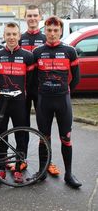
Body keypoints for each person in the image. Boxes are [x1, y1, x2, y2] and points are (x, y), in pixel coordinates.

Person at [33, 16, 82, 188]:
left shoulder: (70, 51)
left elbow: (76, 78)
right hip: (44, 101)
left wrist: (66, 91)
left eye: (56, 30)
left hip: (63, 101)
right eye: (49, 30)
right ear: (44, 31)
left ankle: (69, 174)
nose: (52, 34)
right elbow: (32, 79)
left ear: (61, 31)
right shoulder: (37, 52)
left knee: (66, 138)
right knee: (43, 138)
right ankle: (42, 171)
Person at [0, 22, 34, 183]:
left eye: (14, 34)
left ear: (19, 36)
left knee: (21, 135)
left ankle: (18, 168)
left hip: (19, 103)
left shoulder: (28, 56)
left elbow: (30, 81)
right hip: (1, 102)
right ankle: (2, 168)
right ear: (4, 35)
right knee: (1, 135)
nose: (11, 37)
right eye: (8, 34)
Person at [19, 5, 60, 176]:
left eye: (35, 15)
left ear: (40, 17)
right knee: (23, 126)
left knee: (45, 128)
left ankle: (47, 161)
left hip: (42, 90)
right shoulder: (19, 38)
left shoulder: (46, 37)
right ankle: (21, 159)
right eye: (29, 16)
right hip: (23, 89)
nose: (32, 18)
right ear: (25, 17)